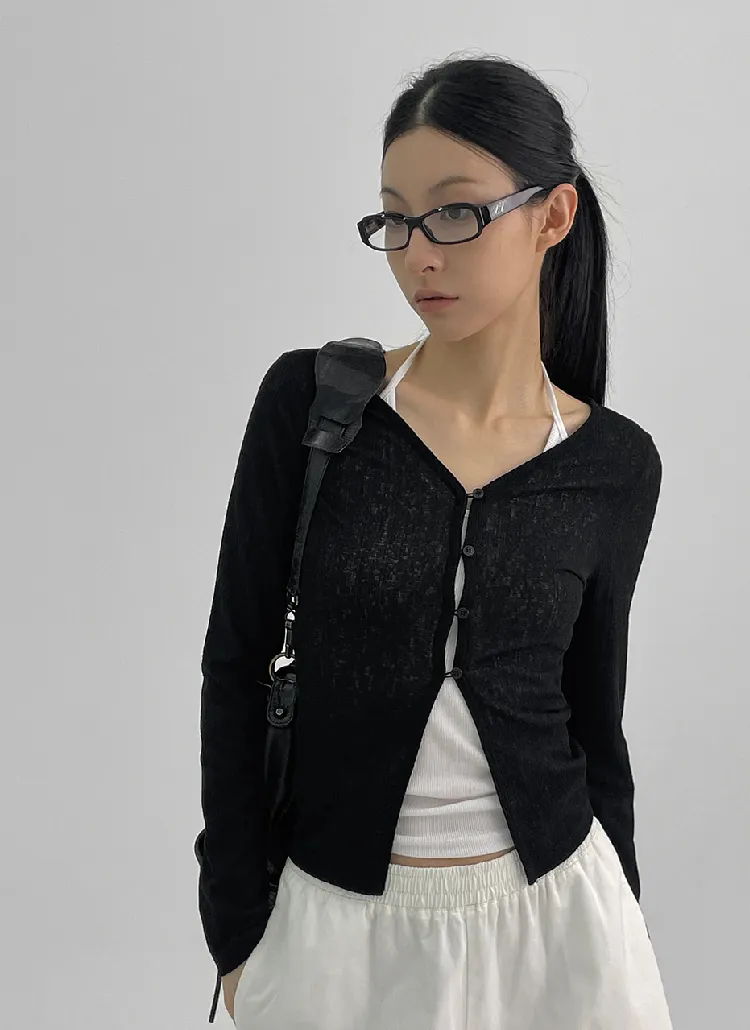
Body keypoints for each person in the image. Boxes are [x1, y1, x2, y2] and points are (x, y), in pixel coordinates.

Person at [196, 54, 674, 1029]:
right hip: (338, 936)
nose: (419, 253)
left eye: (455, 212)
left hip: (562, 931)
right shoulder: (311, 407)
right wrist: (236, 930)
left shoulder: (615, 465)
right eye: (395, 219)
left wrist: (622, 911)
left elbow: (597, 722)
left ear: (553, 217)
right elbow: (235, 665)